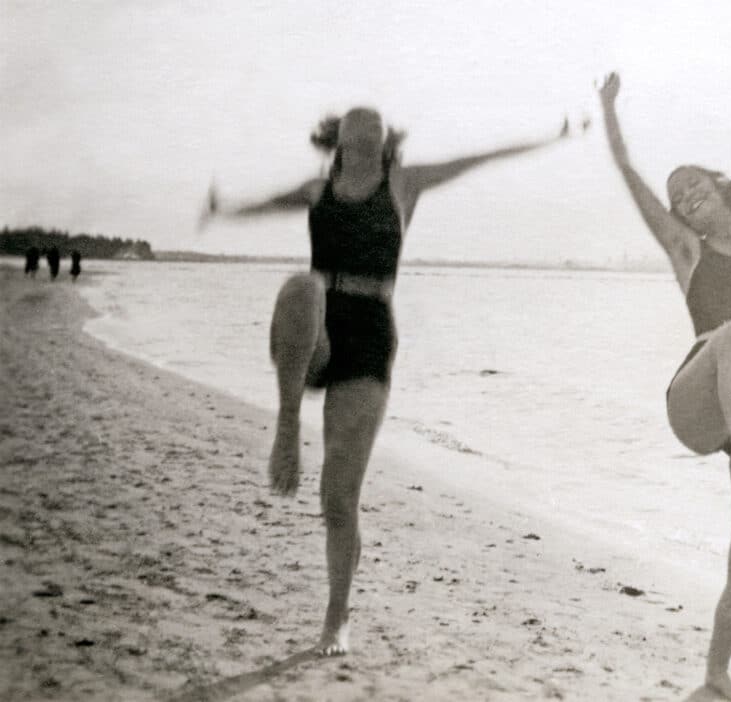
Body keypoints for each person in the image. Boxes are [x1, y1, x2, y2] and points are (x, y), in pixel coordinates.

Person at [202, 107, 572, 655]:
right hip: (316, 327)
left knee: (338, 498)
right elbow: (261, 206)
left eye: (377, 124)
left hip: (370, 335)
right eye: (358, 121)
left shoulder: (404, 182)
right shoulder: (316, 187)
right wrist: (224, 208)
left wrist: (548, 137)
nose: (369, 125)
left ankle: (337, 615)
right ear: (340, 136)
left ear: (385, 139)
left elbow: (474, 161)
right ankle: (286, 428)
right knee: (302, 287)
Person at [598, 24, 731, 701]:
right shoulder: (688, 255)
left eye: (696, 189)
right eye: (678, 198)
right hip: (705, 387)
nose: (685, 200)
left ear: (723, 190)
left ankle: (715, 673)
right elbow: (630, 181)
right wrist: (610, 112)